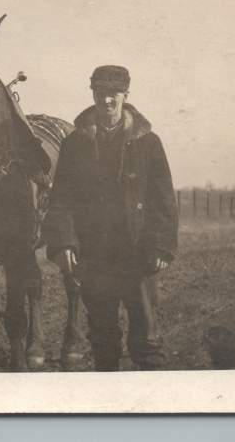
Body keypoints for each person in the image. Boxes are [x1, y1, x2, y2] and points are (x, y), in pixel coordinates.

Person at [44, 65, 178, 371]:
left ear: (126, 96)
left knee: (147, 339)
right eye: (100, 93)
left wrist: (161, 245)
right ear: (92, 94)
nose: (106, 101)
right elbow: (61, 199)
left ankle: (154, 405)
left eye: (113, 94)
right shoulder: (74, 144)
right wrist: (64, 242)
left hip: (138, 253)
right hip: (94, 256)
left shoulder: (148, 142)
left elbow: (164, 199)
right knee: (103, 339)